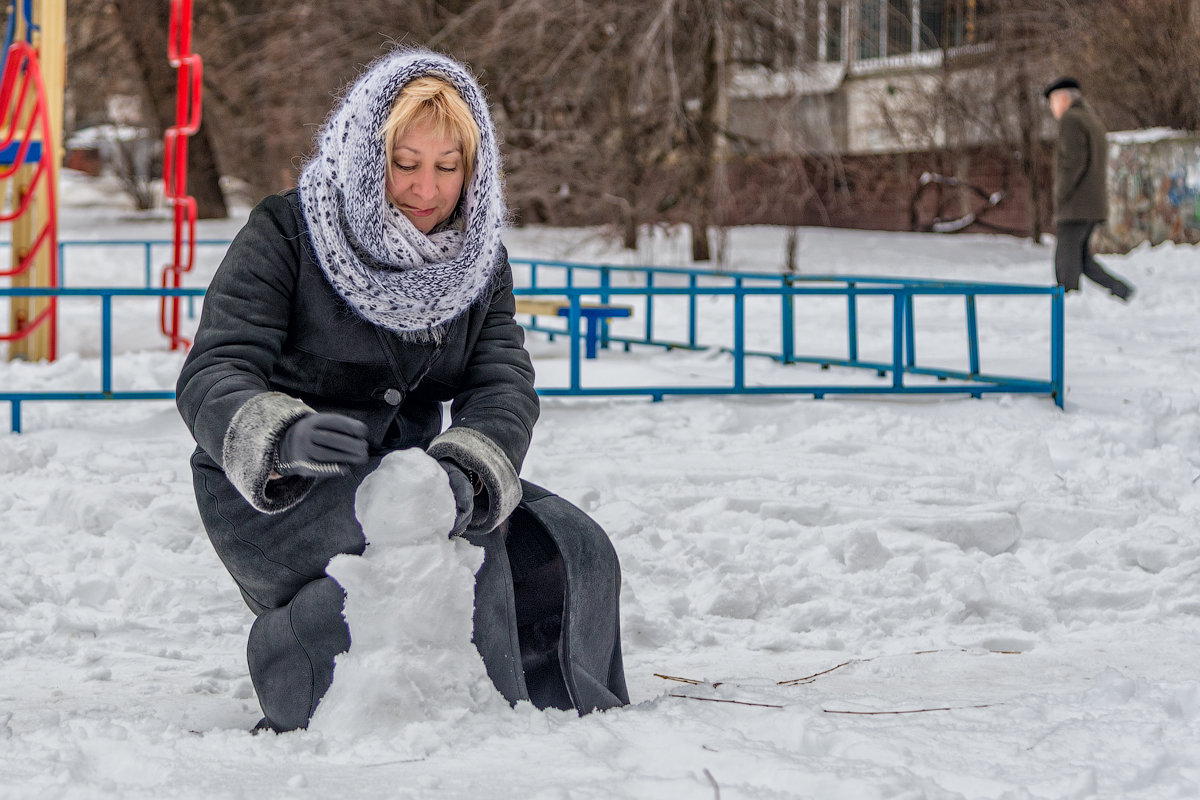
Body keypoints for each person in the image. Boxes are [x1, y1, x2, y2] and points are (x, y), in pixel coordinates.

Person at [176, 47, 629, 733]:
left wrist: (466, 473)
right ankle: (324, 669)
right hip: (276, 497)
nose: (427, 188)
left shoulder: (481, 260)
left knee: (567, 541)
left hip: (412, 482)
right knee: (467, 557)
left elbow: (502, 384)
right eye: (405, 163)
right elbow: (215, 367)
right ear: (366, 157)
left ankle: (566, 707)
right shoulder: (286, 231)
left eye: (448, 167)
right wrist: (283, 436)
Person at [1043, 76, 1134, 301]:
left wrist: (1060, 195)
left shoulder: (1071, 120)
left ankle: (1068, 306)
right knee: (1082, 260)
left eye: (1053, 101)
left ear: (1063, 98)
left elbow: (1071, 163)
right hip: (1093, 205)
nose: (1052, 108)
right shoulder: (1092, 118)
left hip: (1075, 206)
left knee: (1066, 262)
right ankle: (1122, 291)